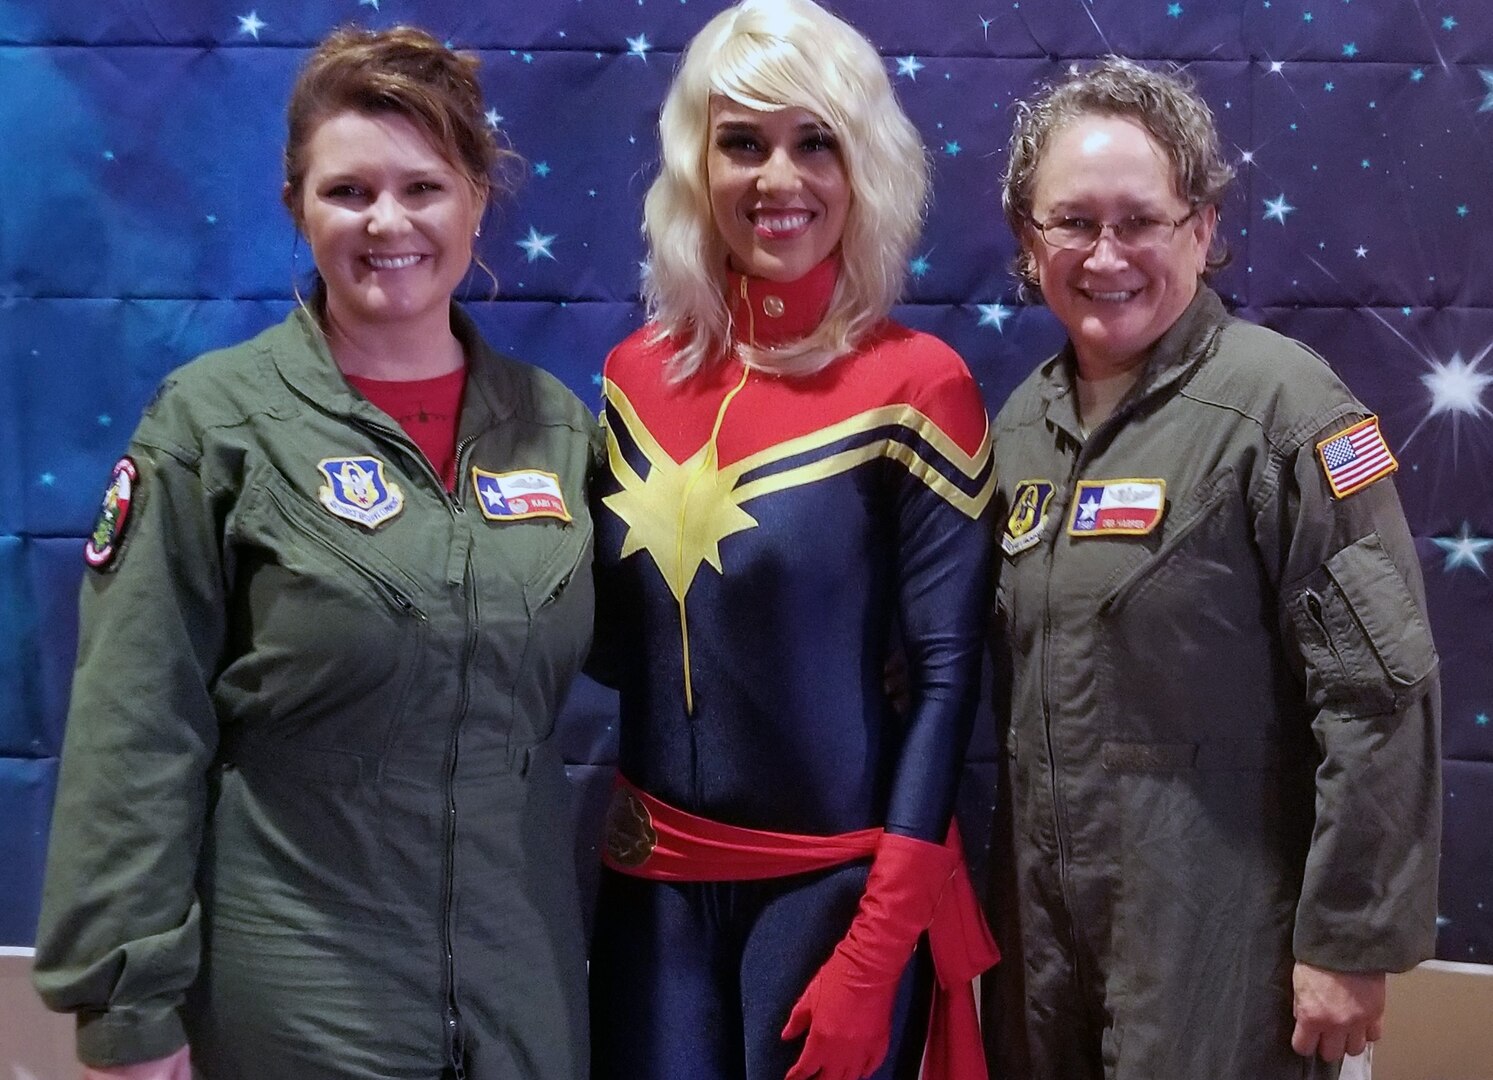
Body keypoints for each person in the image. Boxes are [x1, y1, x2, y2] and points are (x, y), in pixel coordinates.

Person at [32, 26, 597, 1080]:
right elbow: (135, 727)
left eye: (423, 186)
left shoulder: (558, 430)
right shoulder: (214, 427)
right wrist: (128, 1015)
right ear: (295, 205)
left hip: (520, 995)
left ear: (477, 198)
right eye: (348, 192)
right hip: (300, 994)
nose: (388, 222)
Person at [981, 57, 1442, 1080]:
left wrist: (1346, 940)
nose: (1105, 255)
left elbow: (1377, 691)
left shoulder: (1282, 411)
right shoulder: (1017, 430)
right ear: (1026, 238)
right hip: (1045, 940)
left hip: (1220, 939)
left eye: (1139, 220)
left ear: (1198, 226)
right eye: (1072, 222)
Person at [586, 2, 1000, 1078]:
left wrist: (880, 944)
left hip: (828, 902)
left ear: (863, 165)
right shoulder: (633, 378)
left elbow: (951, 681)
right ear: (694, 165)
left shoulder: (917, 388)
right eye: (742, 143)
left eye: (814, 140)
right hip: (652, 894)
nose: (779, 179)